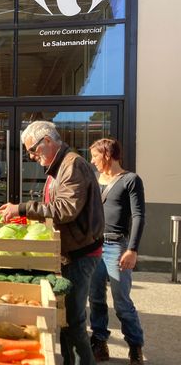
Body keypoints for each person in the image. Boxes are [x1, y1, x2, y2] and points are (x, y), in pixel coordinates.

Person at [0, 120, 104, 365]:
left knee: (74, 320)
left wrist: (23, 208)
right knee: (64, 318)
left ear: (47, 141)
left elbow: (66, 208)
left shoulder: (72, 165)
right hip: (68, 250)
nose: (32, 156)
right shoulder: (59, 166)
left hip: (80, 253)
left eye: (33, 150)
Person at [88, 138, 145, 365]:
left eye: (94, 156)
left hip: (116, 247)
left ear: (107, 155)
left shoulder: (131, 180)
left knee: (121, 301)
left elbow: (139, 216)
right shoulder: (94, 180)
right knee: (96, 299)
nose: (92, 161)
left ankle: (135, 345)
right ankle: (99, 342)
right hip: (93, 246)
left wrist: (132, 249)